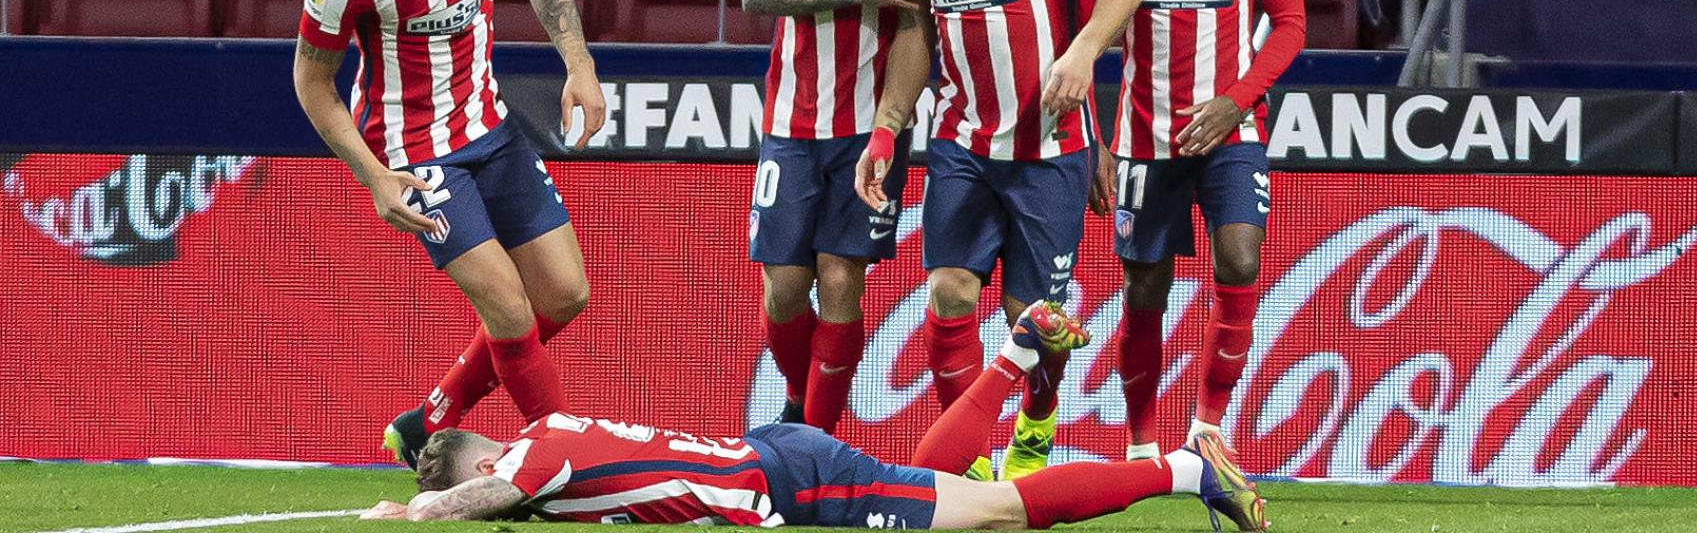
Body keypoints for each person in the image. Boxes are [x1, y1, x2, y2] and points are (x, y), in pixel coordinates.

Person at [853, 0, 1143, 481]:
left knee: (1032, 321)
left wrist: (1083, 52)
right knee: (948, 292)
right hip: (962, 141)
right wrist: (887, 126)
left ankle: (1037, 423)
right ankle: (971, 461)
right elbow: (915, 34)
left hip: (1050, 146)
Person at [360, 302, 1267, 530]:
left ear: (487, 461)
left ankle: (1189, 469)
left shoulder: (525, 463)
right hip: (777, 462)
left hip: (791, 482)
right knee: (941, 485)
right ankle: (1018, 358)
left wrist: (415, 510)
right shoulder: (544, 444)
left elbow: (488, 497)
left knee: (995, 515)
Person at [293, 0, 608, 469]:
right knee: (507, 304)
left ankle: (431, 419)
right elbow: (311, 82)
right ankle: (555, 464)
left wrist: (580, 65)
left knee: (564, 294)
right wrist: (374, 176)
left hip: (491, 125)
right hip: (412, 148)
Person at [738, 0, 1025, 434]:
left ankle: (813, 438)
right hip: (791, 120)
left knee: (841, 281)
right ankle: (799, 401)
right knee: (784, 291)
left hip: (874, 126)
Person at [1083, 0, 1306, 474]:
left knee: (1240, 260)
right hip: (1142, 137)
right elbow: (1078, 35)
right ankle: (1142, 443)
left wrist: (1237, 100)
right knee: (1144, 287)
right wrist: (1093, 138)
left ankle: (1207, 429)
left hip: (1233, 132)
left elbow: (1291, 24)